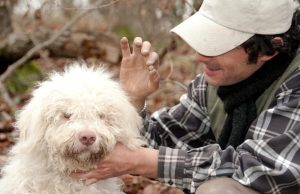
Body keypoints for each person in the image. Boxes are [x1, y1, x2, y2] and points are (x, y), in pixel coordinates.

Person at [73, 0, 300, 193]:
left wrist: (144, 162)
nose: (200, 55)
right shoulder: (213, 84)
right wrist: (132, 101)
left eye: (218, 44)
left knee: (219, 190)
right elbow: (161, 141)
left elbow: (260, 167)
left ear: (270, 49)